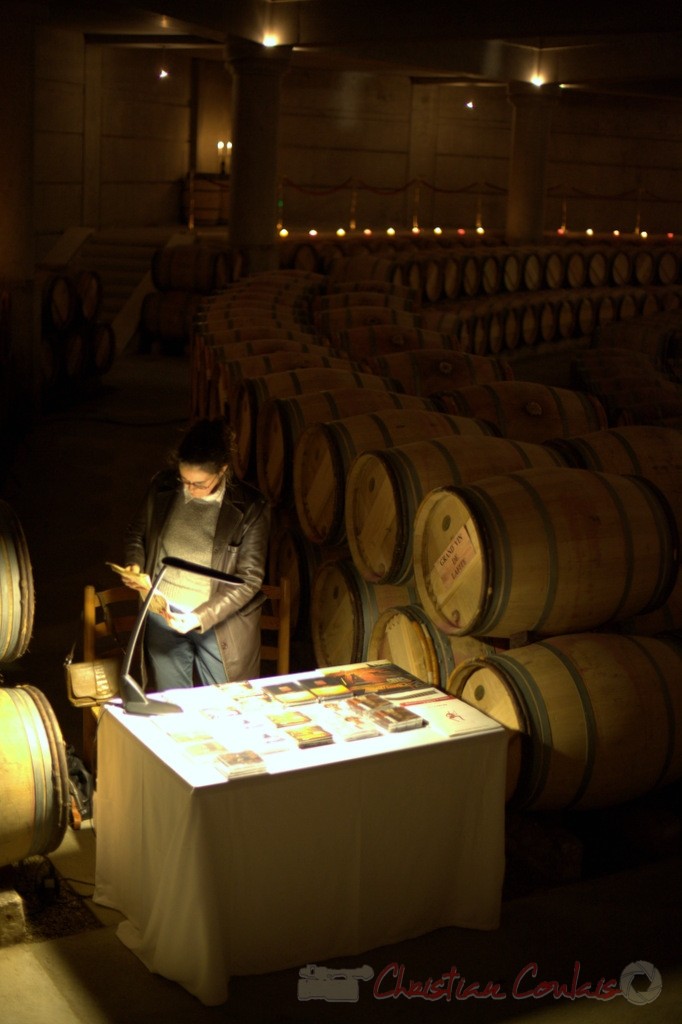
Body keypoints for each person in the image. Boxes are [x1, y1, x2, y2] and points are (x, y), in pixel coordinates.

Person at [123, 418, 271, 691]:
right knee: (172, 702)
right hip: (162, 613)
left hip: (218, 622)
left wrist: (199, 617)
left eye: (199, 483)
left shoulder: (251, 507)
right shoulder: (163, 487)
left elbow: (249, 579)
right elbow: (137, 533)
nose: (188, 490)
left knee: (225, 706)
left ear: (223, 470)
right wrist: (135, 563)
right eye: (184, 480)